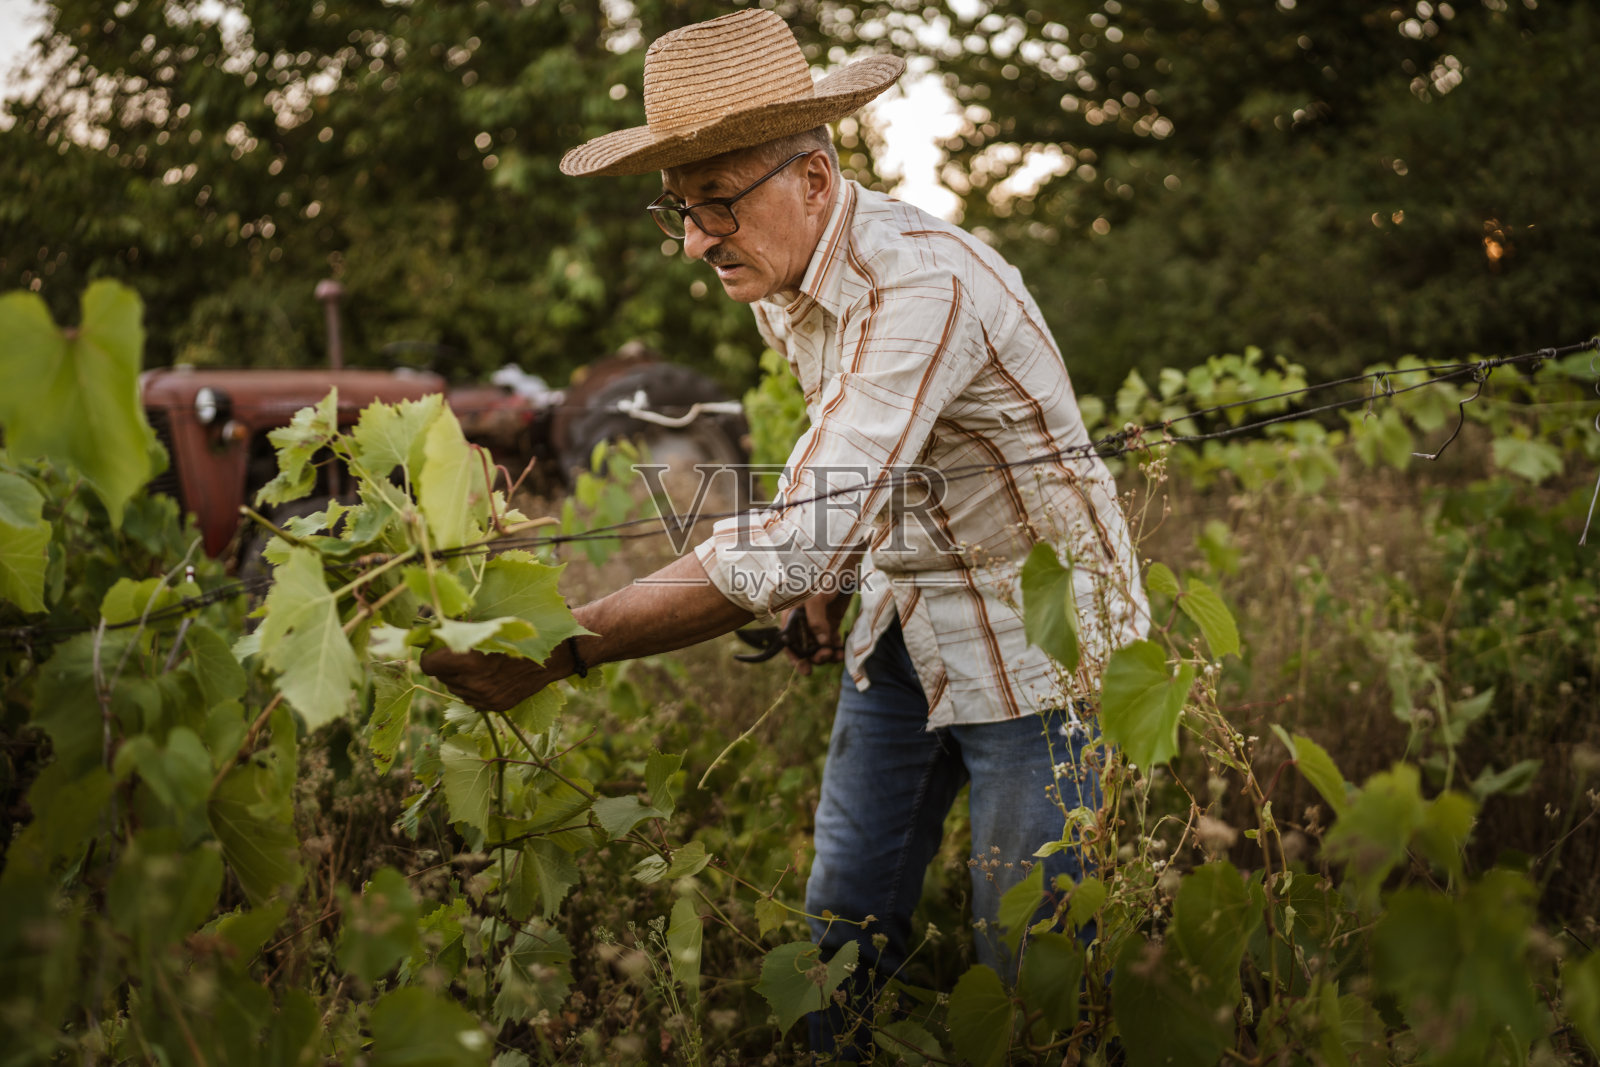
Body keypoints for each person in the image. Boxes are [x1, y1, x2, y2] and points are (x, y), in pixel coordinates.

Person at [423, 9, 1146, 1059]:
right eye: (676, 208)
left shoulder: (922, 285)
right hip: (901, 615)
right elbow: (849, 464)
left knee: (1034, 970)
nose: (692, 239)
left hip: (1041, 643)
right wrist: (831, 575)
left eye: (715, 202)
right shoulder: (786, 278)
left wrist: (571, 642)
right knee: (839, 928)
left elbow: (798, 527)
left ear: (813, 177)